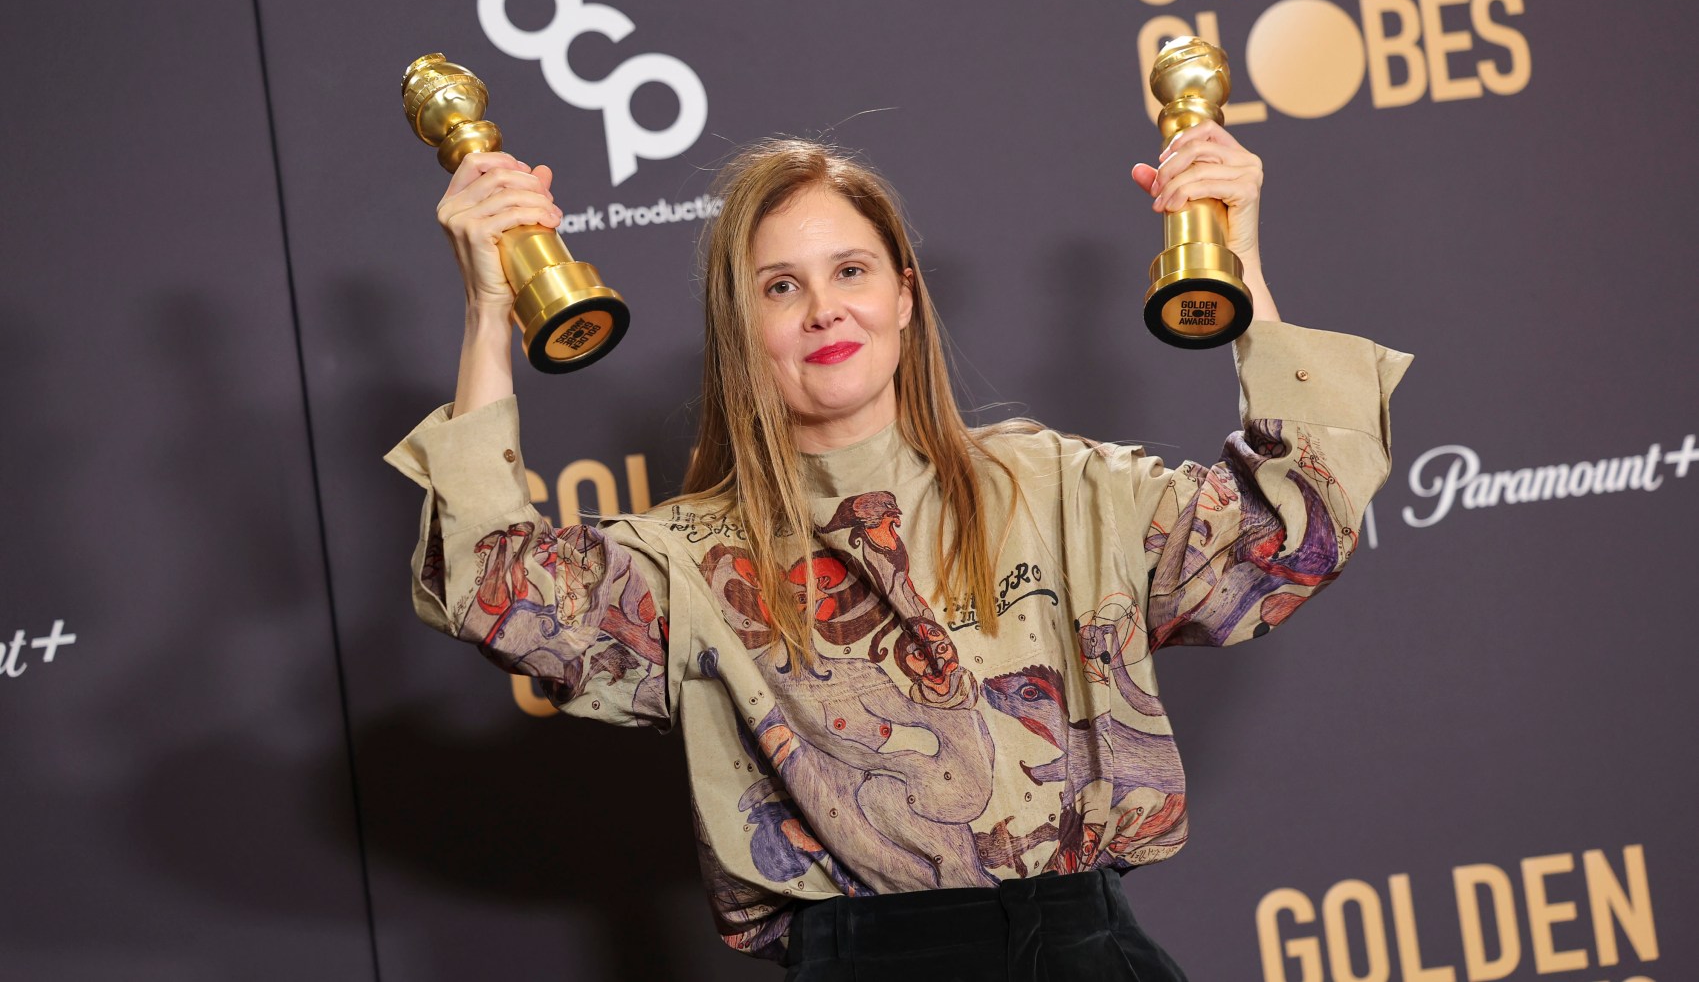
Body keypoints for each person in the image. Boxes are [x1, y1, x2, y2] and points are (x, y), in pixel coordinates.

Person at [385, 125, 1410, 980]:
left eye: (849, 269)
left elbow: (1288, 526)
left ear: (904, 293)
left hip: (1088, 951)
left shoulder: (1052, 483)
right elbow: (491, 582)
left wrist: (1237, 253)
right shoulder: (689, 556)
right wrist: (488, 305)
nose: (824, 306)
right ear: (738, 329)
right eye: (778, 286)